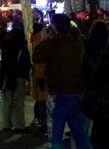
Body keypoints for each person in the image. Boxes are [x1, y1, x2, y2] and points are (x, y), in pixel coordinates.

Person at [34, 14, 89, 149]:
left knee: (55, 133)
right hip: (75, 90)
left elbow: (37, 58)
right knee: (79, 132)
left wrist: (43, 39)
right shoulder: (77, 43)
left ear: (54, 26)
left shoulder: (51, 44)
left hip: (57, 92)